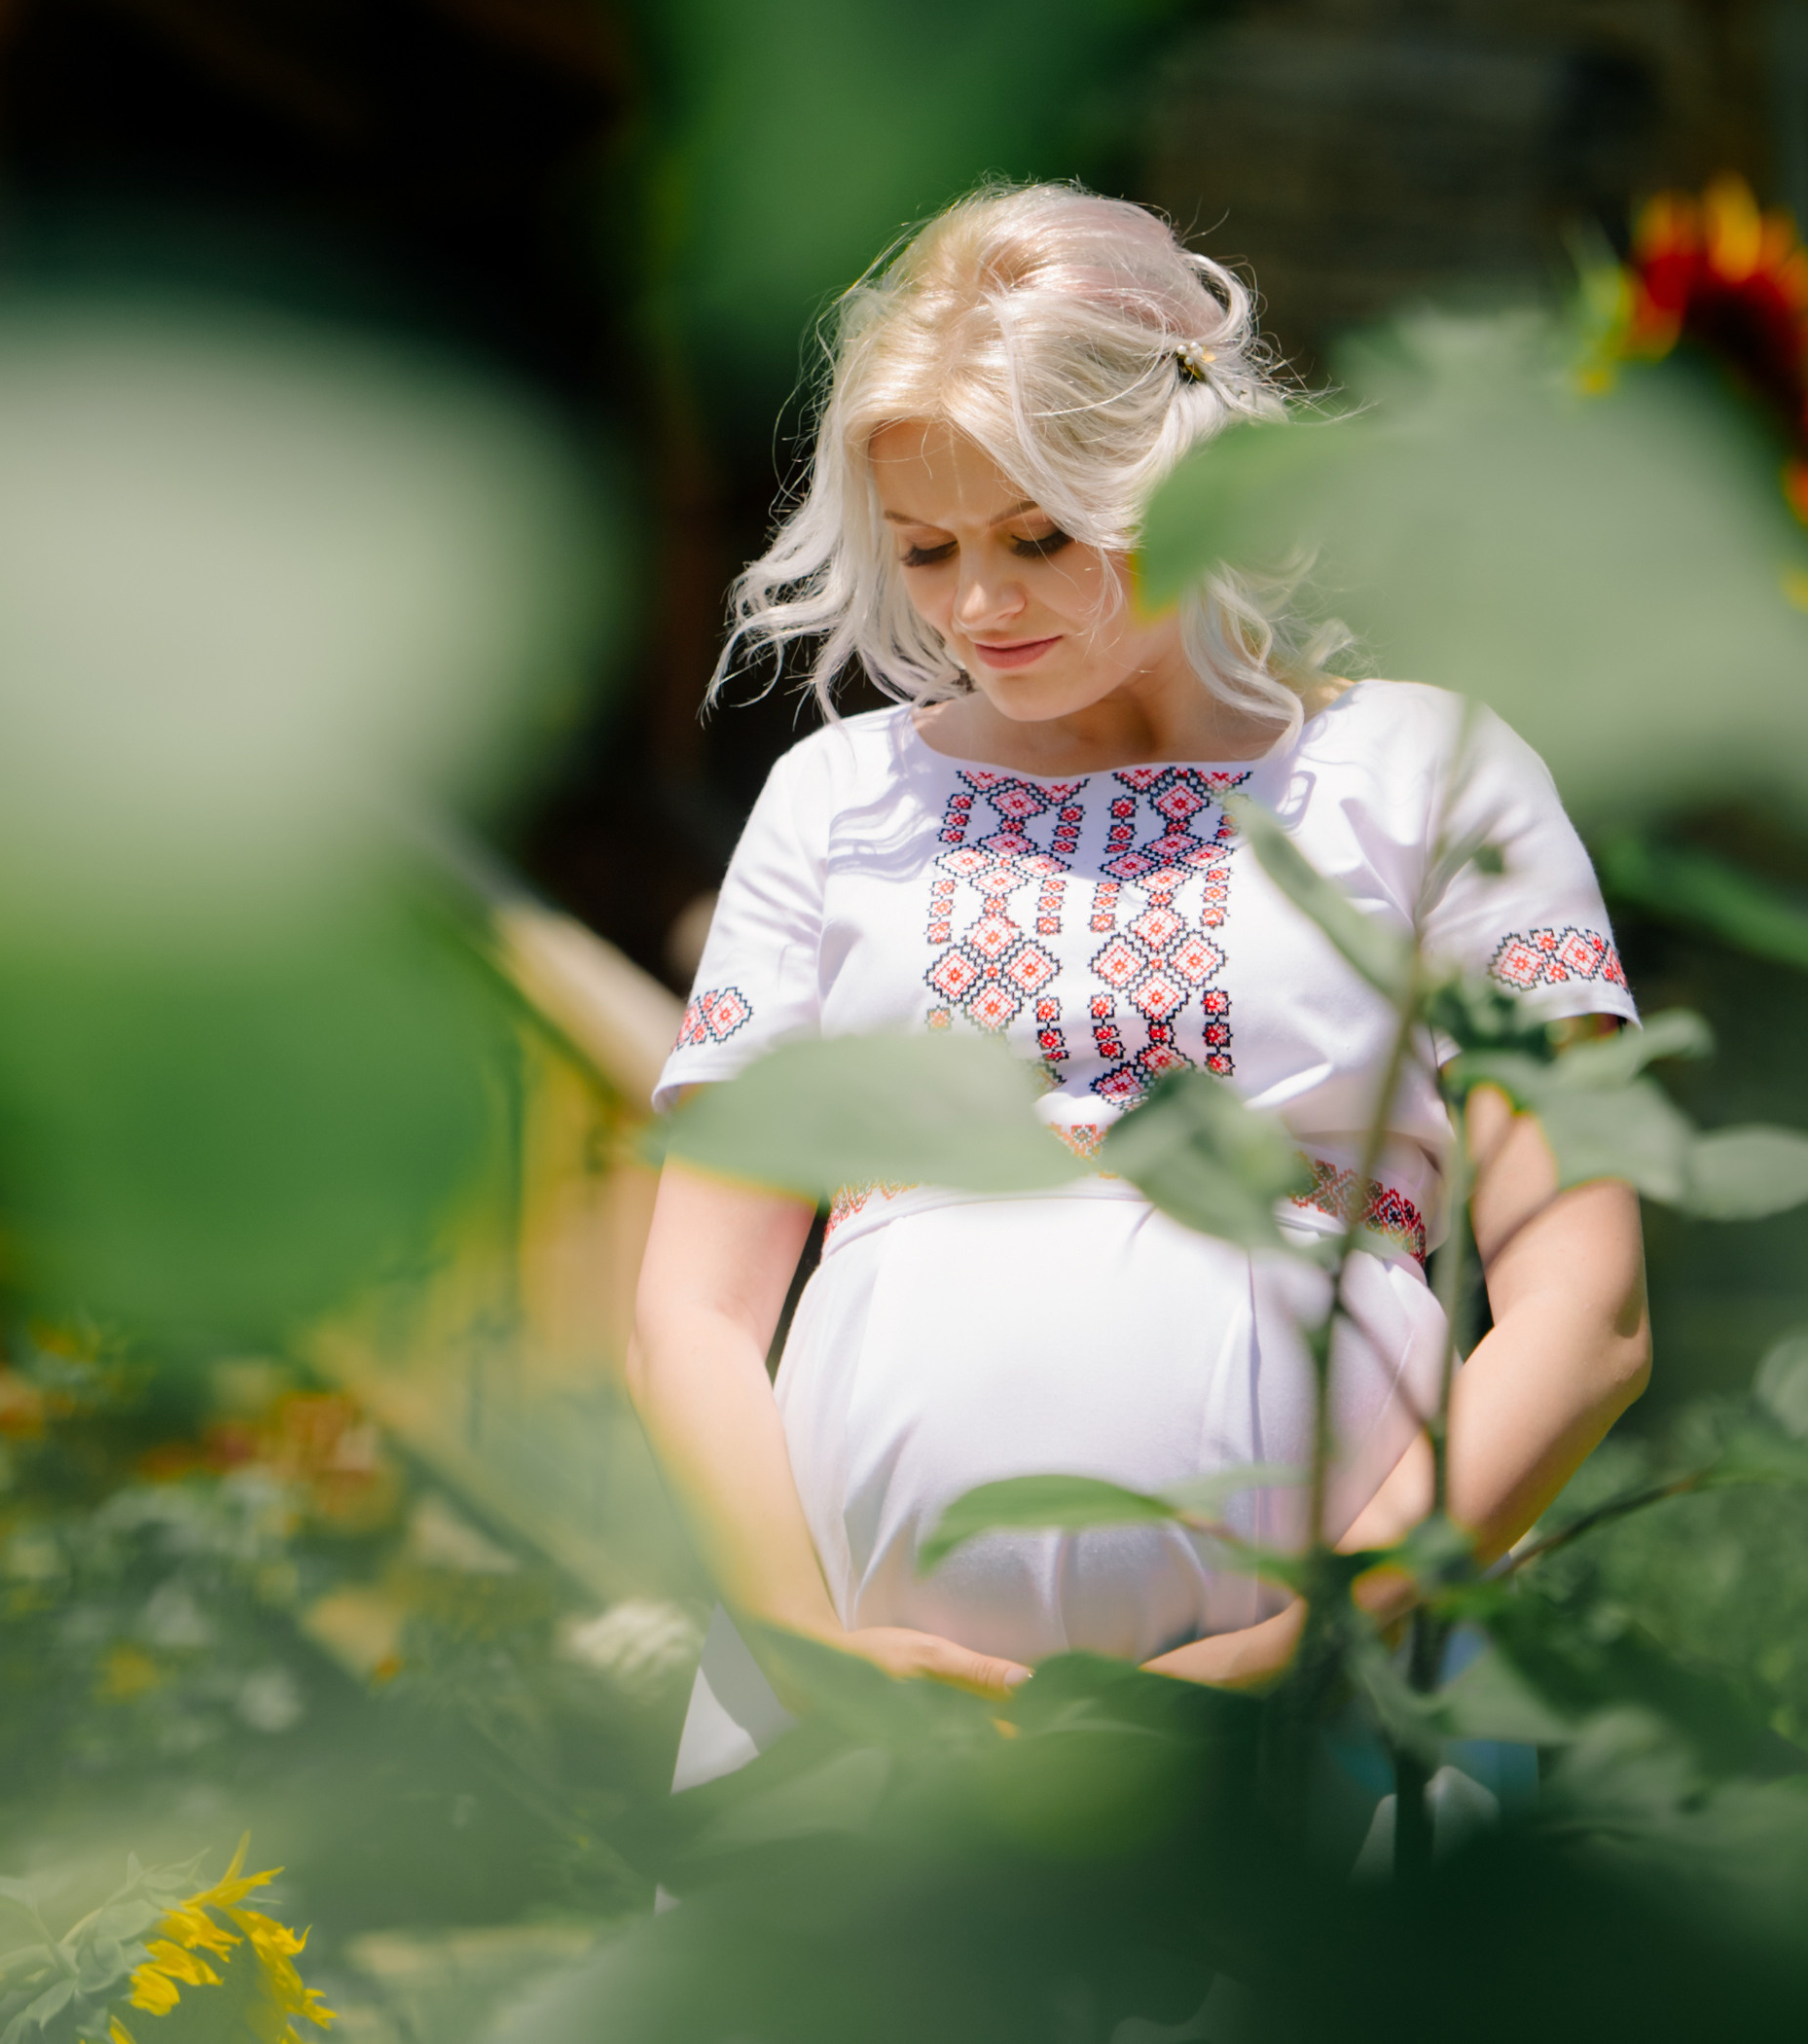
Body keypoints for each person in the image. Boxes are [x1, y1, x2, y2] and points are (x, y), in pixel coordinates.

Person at [629, 184, 1650, 1788]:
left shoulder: (1427, 775)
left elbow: (1584, 1310)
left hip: (1343, 1696)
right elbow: (689, 1305)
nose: (977, 606)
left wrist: (1325, 1629)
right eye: (928, 550)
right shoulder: (835, 802)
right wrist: (802, 1647)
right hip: (862, 1720)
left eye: (1040, 537)